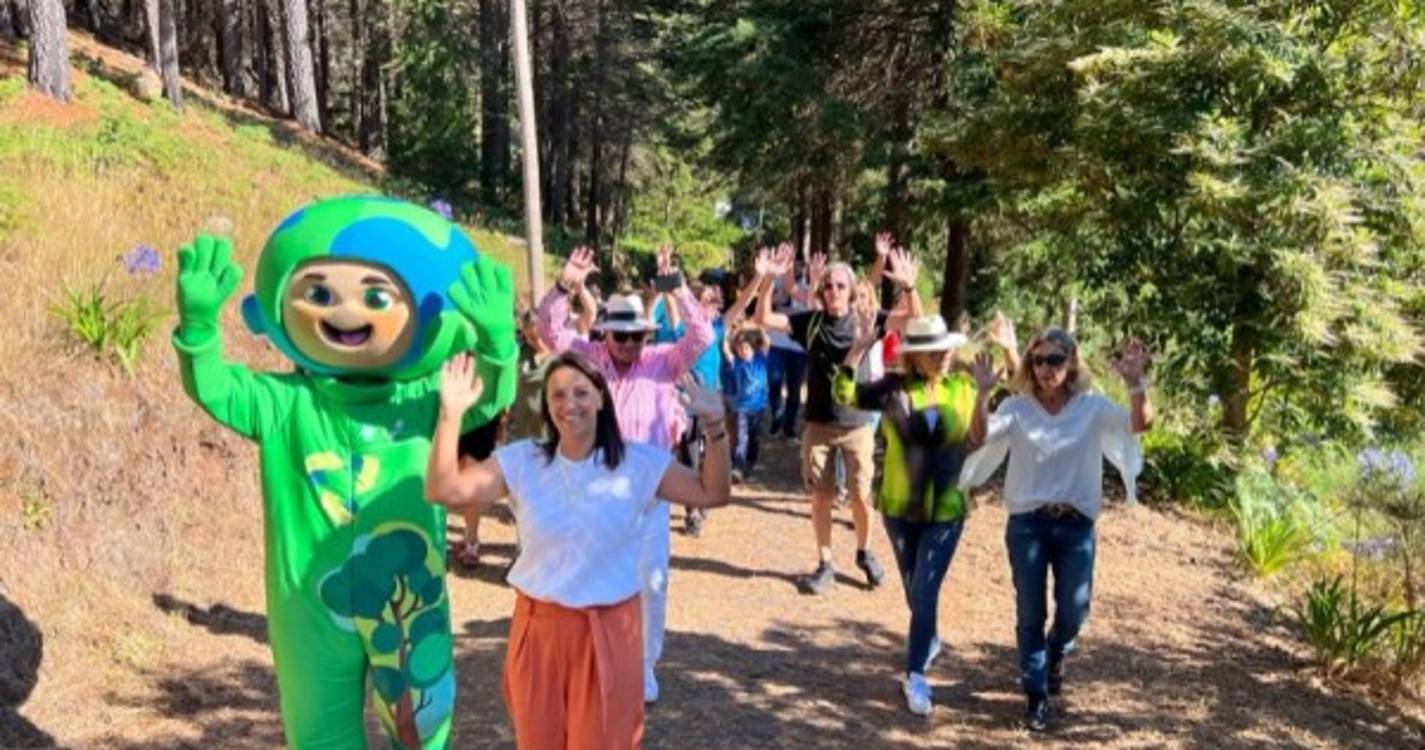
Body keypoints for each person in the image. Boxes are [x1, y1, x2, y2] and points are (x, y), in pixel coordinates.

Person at [172, 197, 517, 748]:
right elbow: (213, 387)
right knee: (318, 736)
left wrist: (498, 345)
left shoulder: (425, 400)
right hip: (309, 608)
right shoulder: (282, 402)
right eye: (319, 294)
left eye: (376, 296)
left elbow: (489, 396)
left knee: (422, 727)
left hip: (410, 602)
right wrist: (197, 328)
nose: (346, 312)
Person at [426, 351, 731, 749]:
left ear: (601, 397)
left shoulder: (638, 462)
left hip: (611, 631)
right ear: (546, 405)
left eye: (581, 392)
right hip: (538, 632)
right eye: (557, 395)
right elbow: (444, 490)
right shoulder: (523, 461)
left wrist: (715, 427)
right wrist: (449, 416)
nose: (569, 404)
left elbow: (712, 492)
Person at [534, 245, 714, 703]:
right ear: (606, 332)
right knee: (590, 577)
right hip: (594, 490)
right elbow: (548, 328)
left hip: (649, 492)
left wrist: (677, 287)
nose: (629, 344)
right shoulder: (587, 358)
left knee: (651, 583)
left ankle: (643, 666)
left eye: (636, 336)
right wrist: (565, 284)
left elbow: (702, 336)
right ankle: (593, 661)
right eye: (621, 335)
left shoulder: (663, 361)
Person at [962, 322, 1153, 732]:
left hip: (1075, 526)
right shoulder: (1017, 408)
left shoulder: (1091, 407)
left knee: (1074, 611)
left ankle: (1056, 652)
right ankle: (1036, 695)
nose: (1046, 368)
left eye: (1054, 359)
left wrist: (1136, 385)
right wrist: (981, 396)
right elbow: (977, 437)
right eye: (1038, 360)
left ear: (1070, 364)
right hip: (1027, 525)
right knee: (1030, 612)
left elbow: (1139, 425)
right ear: (1030, 365)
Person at [753, 244, 921, 594]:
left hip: (858, 424)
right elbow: (763, 319)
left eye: (840, 286)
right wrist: (768, 280)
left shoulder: (867, 318)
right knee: (822, 496)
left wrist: (910, 288)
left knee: (861, 496)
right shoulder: (811, 322)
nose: (833, 291)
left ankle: (864, 551)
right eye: (828, 286)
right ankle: (825, 562)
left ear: (851, 289)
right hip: (818, 424)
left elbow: (914, 322)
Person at [835, 313, 974, 716]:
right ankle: (928, 638)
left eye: (945, 349)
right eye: (934, 351)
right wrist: (857, 348)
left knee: (925, 591)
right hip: (899, 508)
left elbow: (1015, 397)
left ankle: (915, 675)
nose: (943, 356)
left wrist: (1012, 356)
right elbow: (844, 394)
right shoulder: (892, 389)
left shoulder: (963, 387)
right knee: (916, 591)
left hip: (946, 508)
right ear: (914, 355)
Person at [455, 308, 550, 568]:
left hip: (489, 421)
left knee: (474, 481)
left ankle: (483, 544)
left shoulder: (552, 355)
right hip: (495, 425)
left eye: (536, 335)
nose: (533, 340)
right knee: (511, 495)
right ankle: (475, 540)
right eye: (529, 336)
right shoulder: (517, 352)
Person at [723, 325, 770, 483]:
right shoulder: (736, 363)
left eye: (746, 348)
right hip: (741, 408)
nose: (743, 351)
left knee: (755, 436)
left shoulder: (760, 360)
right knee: (741, 437)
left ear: (753, 348)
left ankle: (751, 461)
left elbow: (766, 343)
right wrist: (731, 334)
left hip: (758, 407)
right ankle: (738, 466)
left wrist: (760, 327)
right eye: (740, 348)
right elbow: (726, 350)